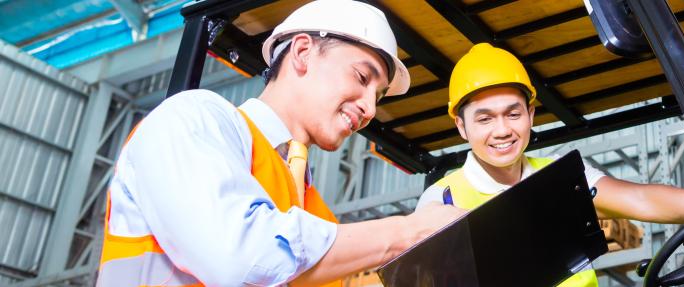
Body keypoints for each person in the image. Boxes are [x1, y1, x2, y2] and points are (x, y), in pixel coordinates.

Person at [97, 1, 465, 285]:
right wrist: (408, 230)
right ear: (302, 53)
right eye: (361, 76)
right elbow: (235, 257)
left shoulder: (313, 211)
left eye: (379, 96)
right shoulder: (191, 120)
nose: (370, 108)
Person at [414, 43, 684, 287]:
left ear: (531, 115)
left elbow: (641, 199)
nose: (502, 131)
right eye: (484, 119)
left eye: (513, 114)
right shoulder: (442, 200)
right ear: (461, 126)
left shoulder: (562, 176)